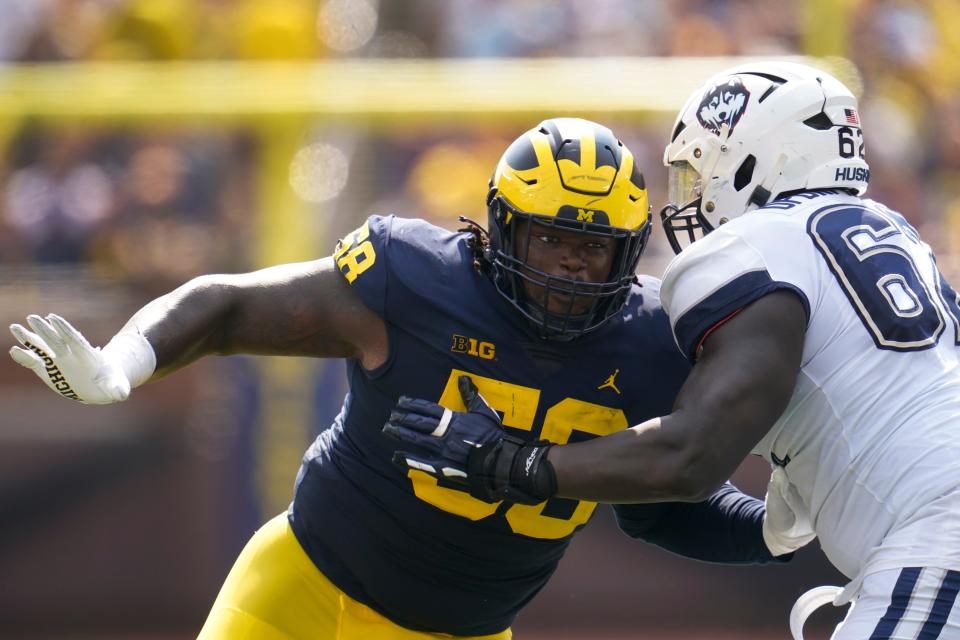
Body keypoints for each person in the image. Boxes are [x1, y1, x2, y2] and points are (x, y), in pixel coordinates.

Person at [9, 118, 785, 640]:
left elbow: (663, 505)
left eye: (597, 248)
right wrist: (125, 363)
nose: (573, 266)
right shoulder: (417, 280)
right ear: (503, 227)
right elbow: (229, 307)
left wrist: (774, 530)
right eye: (551, 239)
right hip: (301, 591)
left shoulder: (651, 341)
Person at [385, 64, 960, 639]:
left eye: (698, 171)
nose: (693, 197)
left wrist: (512, 462)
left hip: (939, 535)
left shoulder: (757, 246)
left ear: (759, 161)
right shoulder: (895, 233)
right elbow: (773, 507)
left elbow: (691, 456)